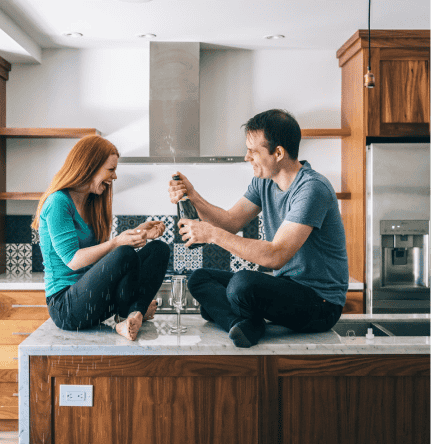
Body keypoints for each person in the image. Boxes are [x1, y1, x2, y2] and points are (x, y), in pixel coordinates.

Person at [168, 109, 348, 348]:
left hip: (321, 304)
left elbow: (276, 255)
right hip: (288, 289)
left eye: (253, 151)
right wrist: (193, 196)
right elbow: (231, 221)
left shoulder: (312, 189)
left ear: (279, 153)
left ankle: (235, 316)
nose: (246, 157)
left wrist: (210, 233)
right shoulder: (263, 182)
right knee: (200, 279)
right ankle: (242, 324)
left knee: (242, 285)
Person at [32, 135, 170, 341]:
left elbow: (104, 262)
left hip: (95, 299)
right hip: (66, 307)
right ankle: (135, 309)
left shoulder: (91, 203)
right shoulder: (58, 202)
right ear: (90, 166)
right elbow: (73, 260)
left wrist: (139, 233)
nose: (114, 177)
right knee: (124, 253)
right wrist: (117, 242)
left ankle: (132, 315)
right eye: (111, 170)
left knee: (159, 249)